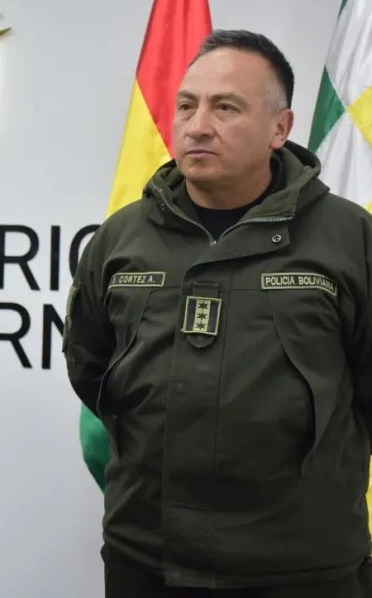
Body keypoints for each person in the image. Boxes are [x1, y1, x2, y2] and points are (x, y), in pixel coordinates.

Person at [63, 29, 372, 597]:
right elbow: (91, 367)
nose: (197, 124)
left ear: (281, 128)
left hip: (302, 567)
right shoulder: (121, 238)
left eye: (225, 107)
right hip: (147, 559)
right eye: (187, 105)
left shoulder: (349, 238)